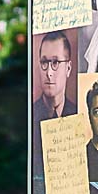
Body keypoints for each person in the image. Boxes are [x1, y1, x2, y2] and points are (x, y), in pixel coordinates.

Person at [32, 31, 77, 159]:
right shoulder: (30, 115)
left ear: (68, 68)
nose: (49, 72)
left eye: (55, 63)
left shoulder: (78, 114)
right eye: (44, 62)